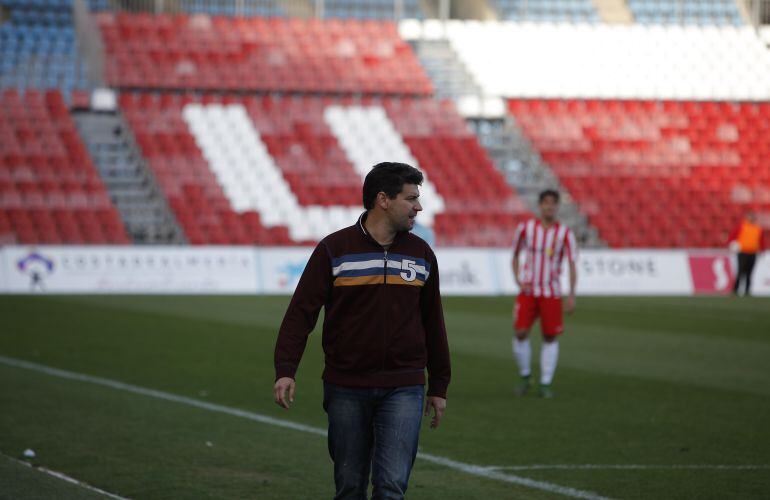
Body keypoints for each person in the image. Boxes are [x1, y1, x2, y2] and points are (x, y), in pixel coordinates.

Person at [273, 162, 451, 500]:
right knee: (350, 487)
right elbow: (301, 314)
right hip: (346, 386)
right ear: (383, 200)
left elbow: (433, 321)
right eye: (411, 198)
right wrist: (286, 369)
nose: (419, 207)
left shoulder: (421, 253)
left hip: (404, 386)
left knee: (391, 486)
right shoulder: (334, 249)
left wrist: (439, 384)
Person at [510, 189, 577, 398]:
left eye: (553, 203)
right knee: (520, 332)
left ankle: (545, 382)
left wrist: (572, 295)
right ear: (540, 206)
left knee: (549, 336)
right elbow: (514, 255)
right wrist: (518, 280)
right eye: (546, 203)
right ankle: (525, 375)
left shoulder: (565, 233)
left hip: (551, 292)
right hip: (529, 291)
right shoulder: (526, 229)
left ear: (557, 206)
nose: (549, 206)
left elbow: (572, 263)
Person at [729, 211, 764, 296]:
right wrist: (731, 244)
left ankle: (747, 291)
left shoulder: (758, 228)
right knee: (741, 271)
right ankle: (735, 290)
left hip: (753, 252)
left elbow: (761, 241)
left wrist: (762, 250)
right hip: (743, 252)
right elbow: (732, 236)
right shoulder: (741, 227)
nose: (751, 219)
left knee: (749, 272)